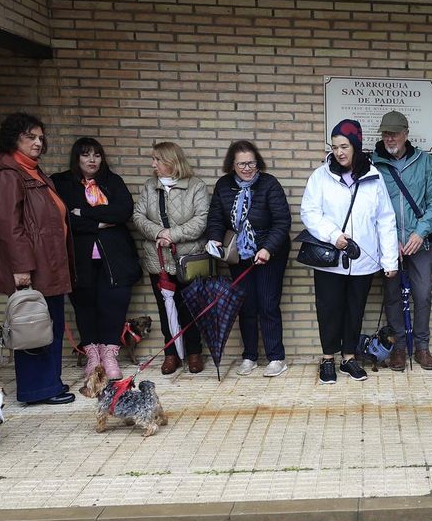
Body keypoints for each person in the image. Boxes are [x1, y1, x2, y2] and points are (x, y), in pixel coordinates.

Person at [0, 112, 75, 406]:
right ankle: (39, 389)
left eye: (40, 138)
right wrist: (21, 268)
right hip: (34, 266)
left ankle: (49, 382)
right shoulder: (7, 174)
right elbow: (8, 226)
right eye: (30, 137)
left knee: (50, 324)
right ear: (13, 139)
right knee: (34, 324)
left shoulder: (31, 171)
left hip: (48, 262)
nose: (37, 142)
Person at [301, 120, 400, 385]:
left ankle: (348, 357)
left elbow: (385, 219)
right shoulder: (320, 176)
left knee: (355, 309)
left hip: (363, 260)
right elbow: (309, 212)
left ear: (356, 146)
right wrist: (333, 235)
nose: (339, 152)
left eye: (344, 146)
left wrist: (389, 260)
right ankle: (327, 359)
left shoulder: (374, 176)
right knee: (329, 309)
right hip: (330, 257)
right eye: (334, 147)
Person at [52, 137, 140, 381]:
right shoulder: (62, 183)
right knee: (85, 306)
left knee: (114, 304)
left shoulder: (112, 182)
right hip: (80, 259)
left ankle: (109, 356)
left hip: (115, 258)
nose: (92, 160)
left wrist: (85, 213)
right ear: (76, 158)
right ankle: (93, 356)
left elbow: (123, 212)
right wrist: (100, 223)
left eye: (97, 155)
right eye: (86, 154)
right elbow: (66, 219)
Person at [204, 139, 292, 377]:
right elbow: (215, 218)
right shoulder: (223, 185)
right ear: (232, 165)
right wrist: (215, 239)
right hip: (239, 254)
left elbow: (282, 221)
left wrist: (268, 249)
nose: (247, 168)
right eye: (241, 164)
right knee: (246, 306)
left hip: (269, 253)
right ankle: (250, 356)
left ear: (257, 162)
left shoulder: (269, 184)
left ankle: (276, 358)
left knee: (267, 304)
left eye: (251, 163)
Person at [372, 110, 432, 371]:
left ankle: (422, 347)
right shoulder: (373, 164)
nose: (390, 138)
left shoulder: (423, 161)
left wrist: (420, 232)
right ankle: (399, 348)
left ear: (406, 134)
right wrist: (390, 239)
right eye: (386, 133)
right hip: (389, 243)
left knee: (423, 294)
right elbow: (371, 206)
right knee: (392, 296)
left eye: (394, 133)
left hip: (419, 241)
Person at [130, 140, 210, 375]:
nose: (153, 164)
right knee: (165, 308)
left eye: (157, 159)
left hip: (188, 259)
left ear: (171, 161)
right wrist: (158, 233)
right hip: (159, 260)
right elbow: (138, 216)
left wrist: (172, 235)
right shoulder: (149, 187)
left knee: (191, 308)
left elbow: (201, 220)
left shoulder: (195, 186)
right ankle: (171, 353)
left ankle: (194, 352)